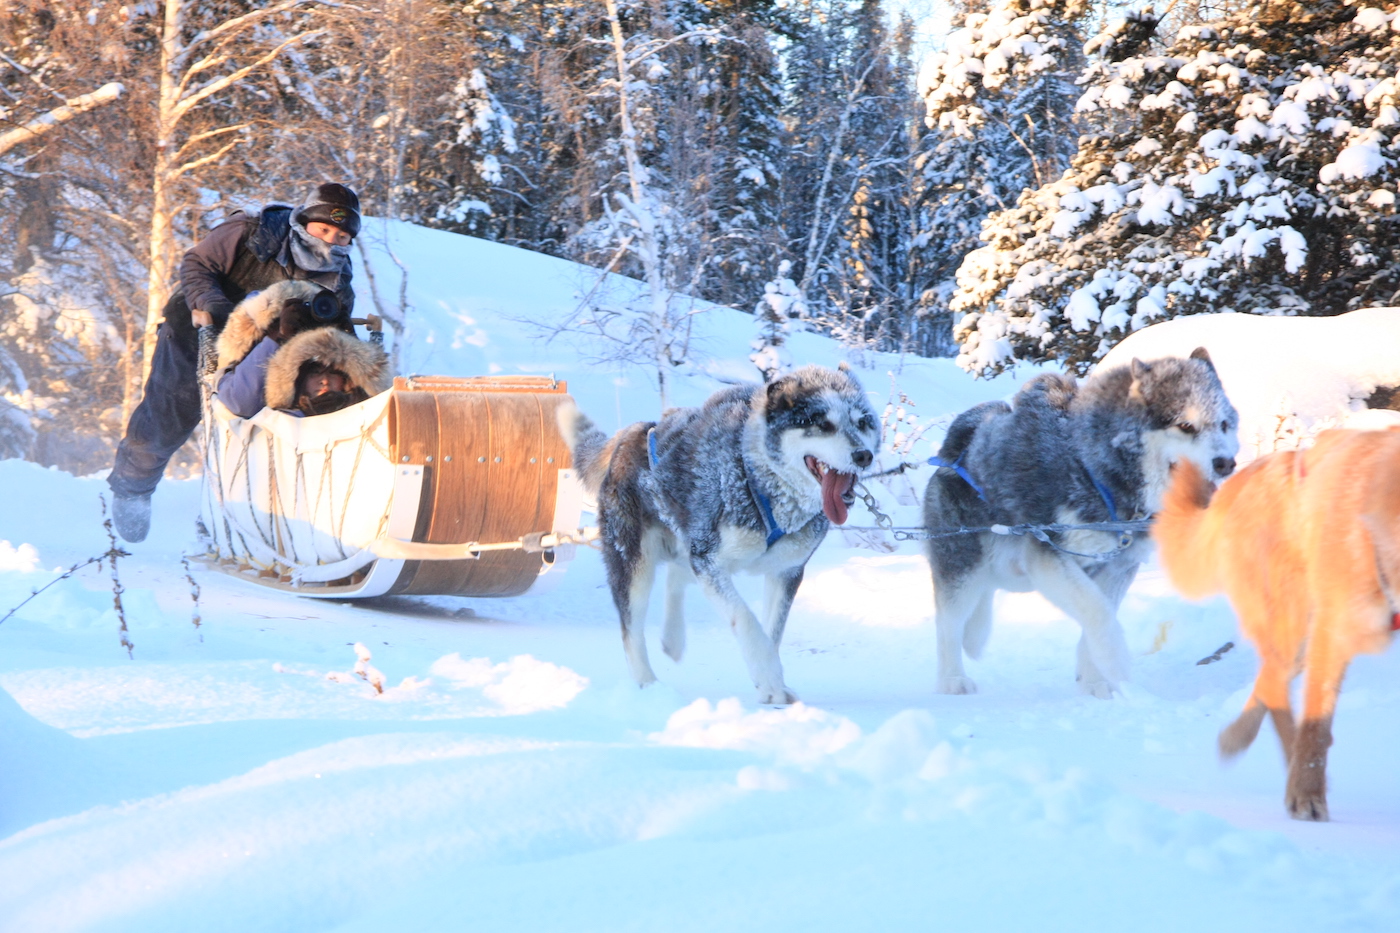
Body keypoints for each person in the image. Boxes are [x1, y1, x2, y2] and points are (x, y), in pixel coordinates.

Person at [108, 183, 362, 542]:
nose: (330, 241)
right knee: (171, 413)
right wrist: (217, 307)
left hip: (269, 350)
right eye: (323, 229)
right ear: (303, 222)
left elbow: (336, 321)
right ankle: (132, 487)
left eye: (341, 236)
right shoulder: (252, 232)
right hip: (197, 328)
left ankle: (233, 513)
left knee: (259, 428)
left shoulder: (337, 272)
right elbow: (197, 264)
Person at [213, 279, 390, 420]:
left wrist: (350, 343)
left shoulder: (338, 371)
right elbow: (240, 402)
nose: (325, 381)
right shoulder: (249, 353)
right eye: (315, 373)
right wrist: (278, 339)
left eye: (332, 373)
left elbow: (379, 401)